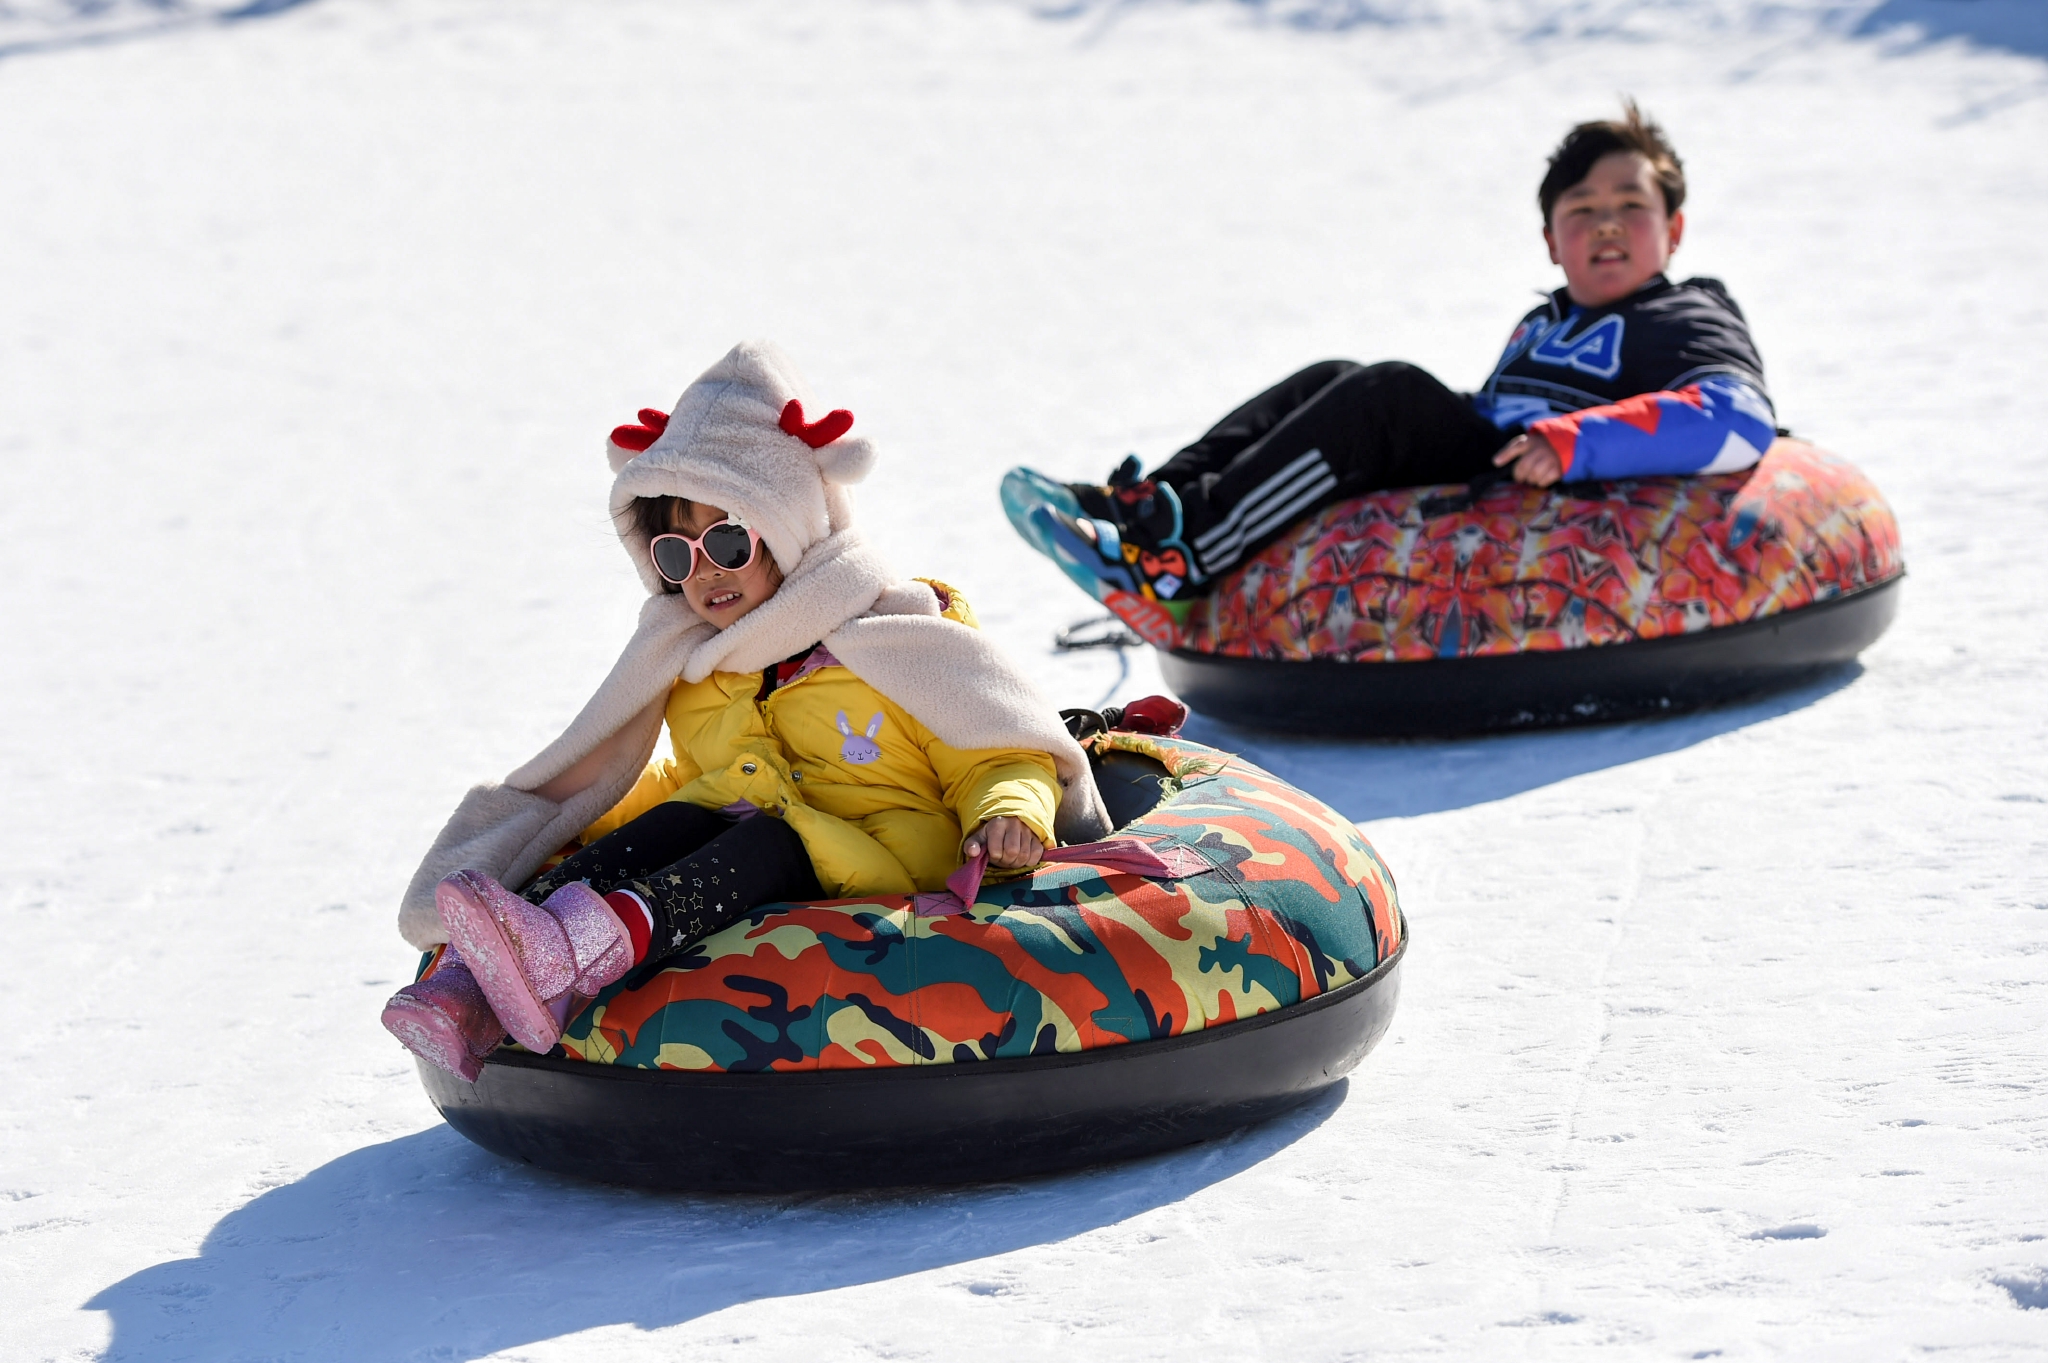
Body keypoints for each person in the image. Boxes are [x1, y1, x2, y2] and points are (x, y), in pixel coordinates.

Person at [381, 341, 1110, 1082]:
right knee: (681, 819)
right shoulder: (703, 668)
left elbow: (992, 744)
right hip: (758, 829)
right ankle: (475, 982)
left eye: (727, 539)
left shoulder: (892, 638)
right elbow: (693, 776)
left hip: (884, 862)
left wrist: (1008, 809)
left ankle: (584, 950)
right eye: (676, 554)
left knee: (766, 836)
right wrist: (579, 825)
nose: (705, 573)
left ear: (787, 528)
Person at [1026, 100, 1780, 606]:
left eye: (1630, 207)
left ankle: (1189, 553)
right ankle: (1155, 507)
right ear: (1552, 242)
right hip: (1495, 448)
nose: (1606, 225)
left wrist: (1575, 440)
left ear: (1673, 231)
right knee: (1337, 377)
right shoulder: (1542, 320)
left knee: (1389, 393)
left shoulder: (1681, 312)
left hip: (1541, 474)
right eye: (1582, 211)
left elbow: (1737, 416)